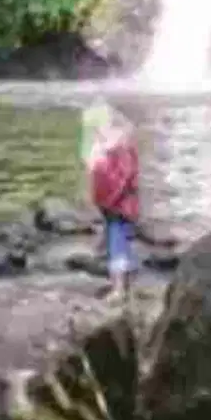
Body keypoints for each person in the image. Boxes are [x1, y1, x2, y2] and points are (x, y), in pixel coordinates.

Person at [81, 101, 140, 305]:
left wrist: (108, 200)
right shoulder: (108, 151)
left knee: (118, 246)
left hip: (120, 207)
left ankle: (119, 289)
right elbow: (99, 179)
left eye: (102, 131)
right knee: (117, 242)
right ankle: (126, 282)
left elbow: (123, 181)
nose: (98, 135)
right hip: (112, 207)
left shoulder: (121, 151)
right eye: (97, 131)